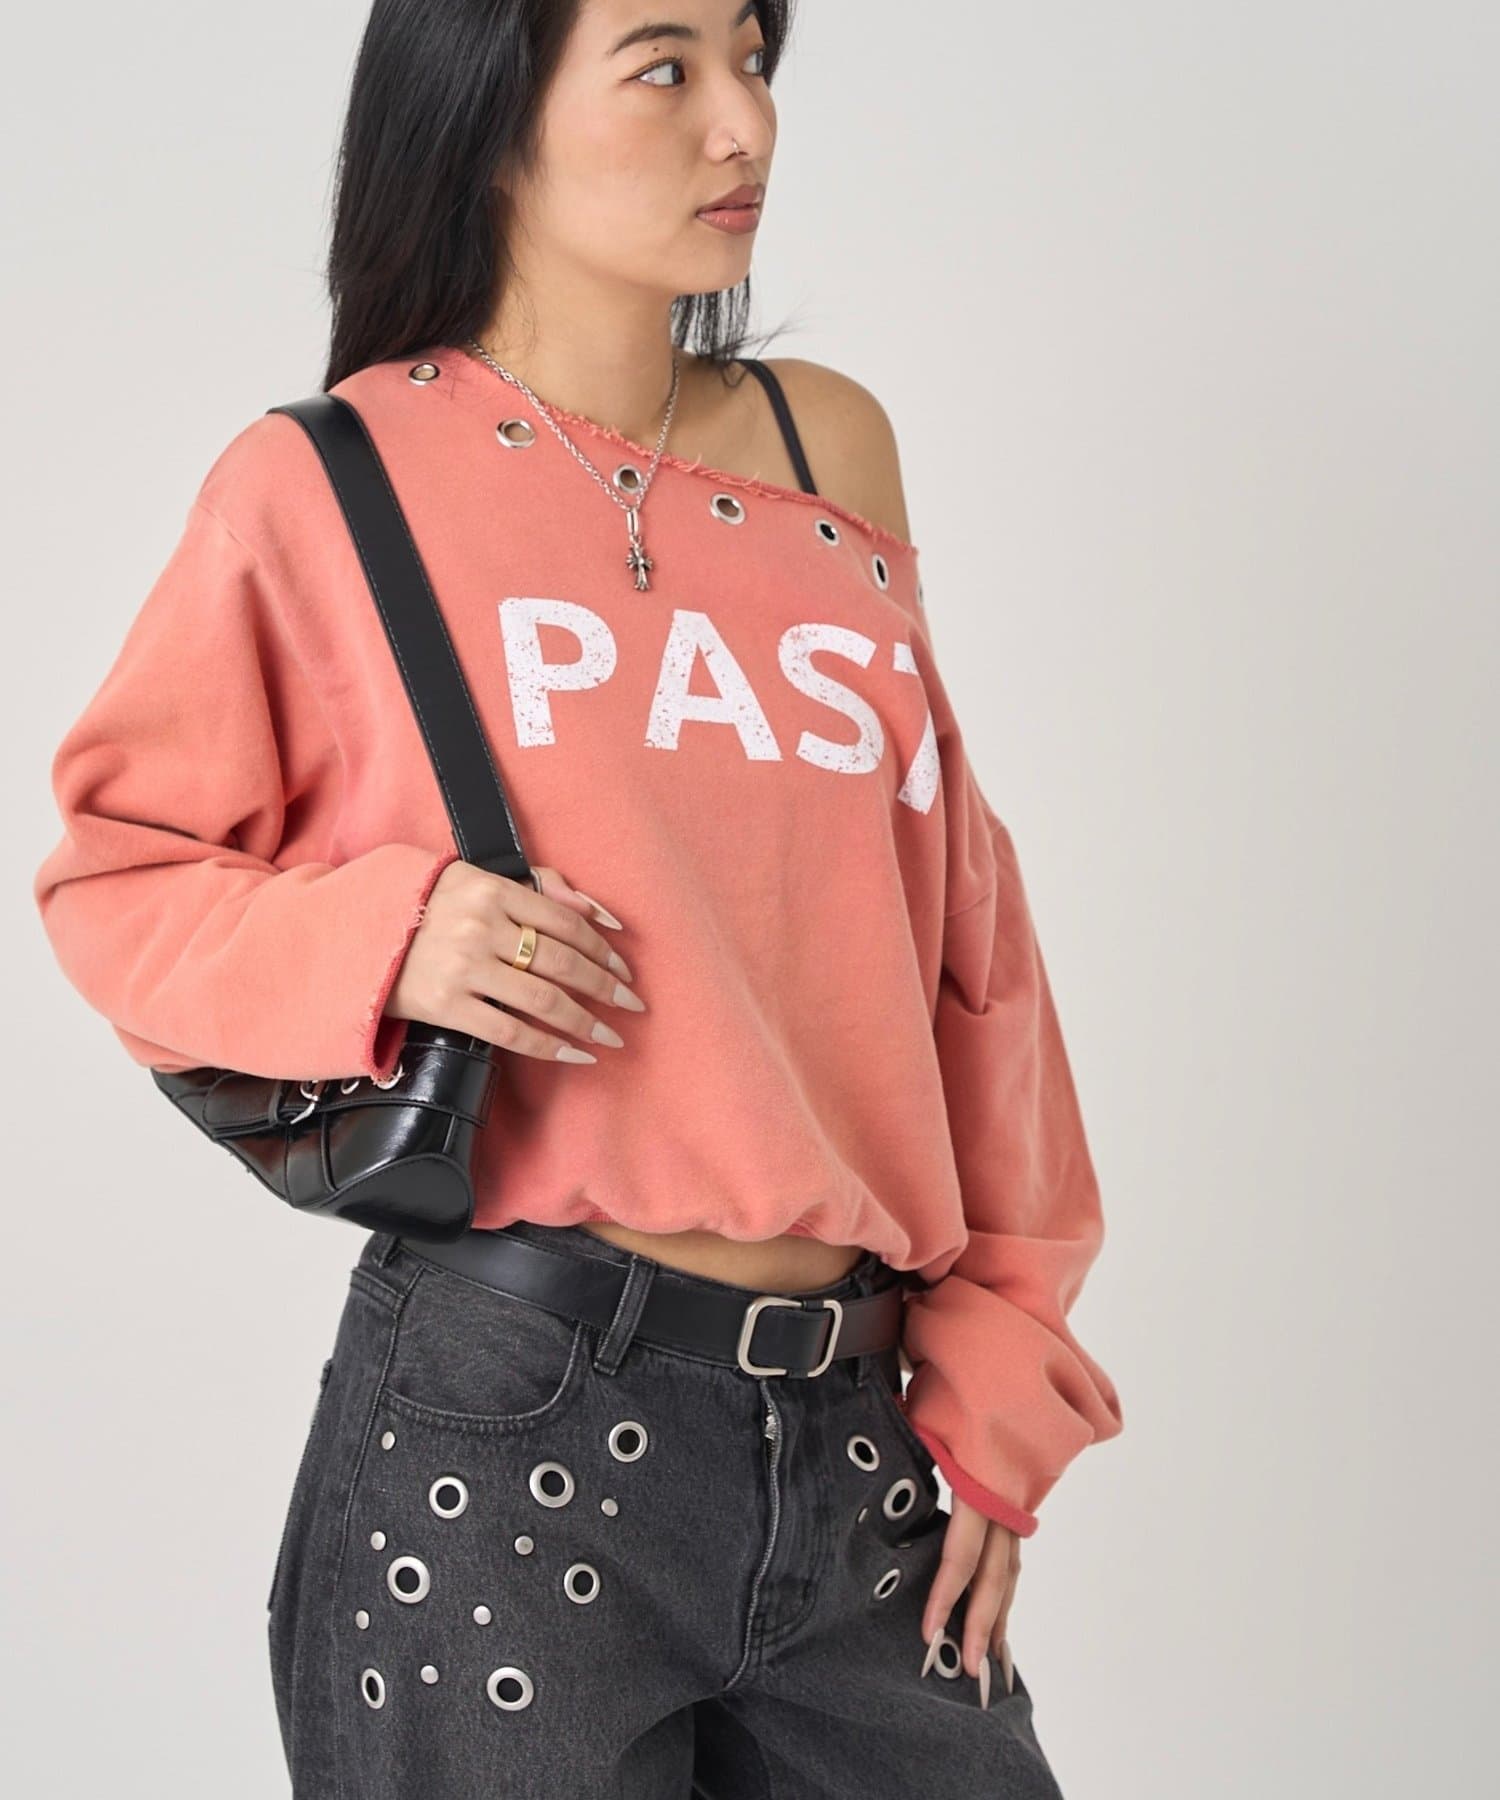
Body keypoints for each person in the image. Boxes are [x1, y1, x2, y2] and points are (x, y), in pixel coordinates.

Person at [31, 3, 1124, 1794]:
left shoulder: (829, 451)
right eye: (664, 67)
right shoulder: (331, 478)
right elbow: (121, 873)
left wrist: (1005, 1364)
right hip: (504, 1425)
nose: (743, 124)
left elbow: (968, 944)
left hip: (857, 1435)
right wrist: (389, 936)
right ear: (489, 113)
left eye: (754, 59)